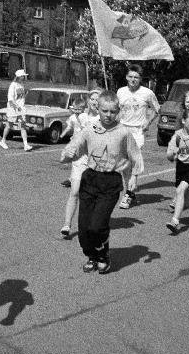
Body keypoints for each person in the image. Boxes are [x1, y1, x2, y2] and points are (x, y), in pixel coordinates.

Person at [59, 91, 142, 274]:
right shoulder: (90, 128)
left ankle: (103, 254)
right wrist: (67, 155)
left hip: (110, 181)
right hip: (90, 179)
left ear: (118, 111)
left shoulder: (123, 132)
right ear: (99, 109)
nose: (108, 115)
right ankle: (91, 255)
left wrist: (134, 176)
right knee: (84, 228)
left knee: (97, 225)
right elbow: (77, 145)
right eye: (104, 110)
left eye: (112, 111)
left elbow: (135, 155)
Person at [116, 64, 160, 209]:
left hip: (137, 132)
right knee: (124, 166)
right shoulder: (120, 92)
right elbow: (116, 110)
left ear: (140, 78)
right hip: (122, 130)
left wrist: (148, 122)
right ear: (126, 77)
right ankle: (130, 191)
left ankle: (128, 194)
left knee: (133, 161)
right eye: (131, 76)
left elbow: (156, 110)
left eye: (136, 77)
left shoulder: (147, 93)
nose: (133, 79)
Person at [59, 95, 93, 237]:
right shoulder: (76, 117)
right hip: (79, 158)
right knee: (74, 191)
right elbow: (70, 126)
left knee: (90, 195)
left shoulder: (90, 118)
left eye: (80, 109)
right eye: (93, 99)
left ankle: (90, 224)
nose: (77, 111)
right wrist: (64, 136)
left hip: (93, 160)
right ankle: (67, 225)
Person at [0, 69, 33, 152]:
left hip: (21, 109)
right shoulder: (13, 85)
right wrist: (16, 107)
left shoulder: (21, 85)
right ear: (19, 77)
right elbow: (10, 99)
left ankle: (25, 145)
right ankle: (3, 141)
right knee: (9, 125)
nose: (24, 77)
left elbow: (20, 97)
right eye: (23, 76)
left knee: (23, 126)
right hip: (13, 109)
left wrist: (26, 94)